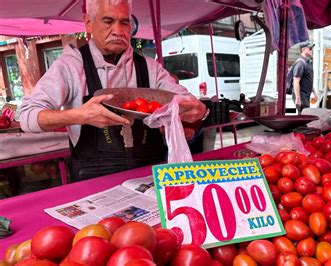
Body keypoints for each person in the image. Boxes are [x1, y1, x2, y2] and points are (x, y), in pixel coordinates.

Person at [19, 0, 206, 181]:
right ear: (89, 23)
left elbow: (186, 101)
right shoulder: (71, 66)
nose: (118, 31)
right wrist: (78, 116)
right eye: (108, 21)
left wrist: (191, 111)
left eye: (124, 22)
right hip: (93, 181)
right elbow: (27, 117)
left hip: (149, 176)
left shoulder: (149, 68)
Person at [291, 40, 318, 114]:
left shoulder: (307, 62)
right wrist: (298, 98)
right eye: (310, 49)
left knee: (304, 117)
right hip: (301, 96)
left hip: (306, 96)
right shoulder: (300, 63)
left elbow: (308, 79)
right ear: (303, 50)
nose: (312, 50)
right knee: (304, 117)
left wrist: (314, 92)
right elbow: (296, 81)